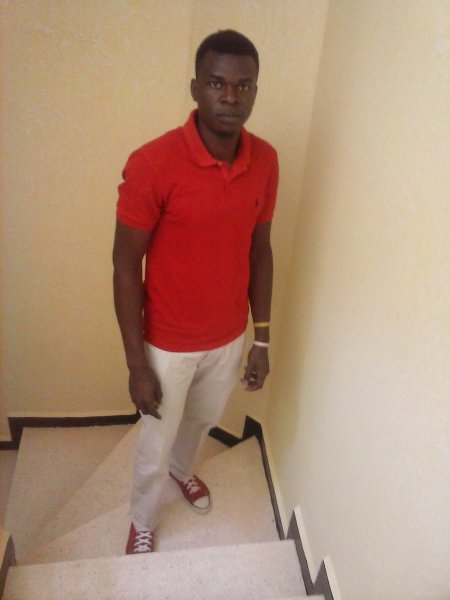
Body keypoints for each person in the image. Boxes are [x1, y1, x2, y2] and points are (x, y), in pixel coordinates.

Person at [113, 29, 278, 554]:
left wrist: (261, 339)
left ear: (255, 91)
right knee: (155, 441)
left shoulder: (266, 160)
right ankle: (142, 518)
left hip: (228, 337)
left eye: (243, 86)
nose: (230, 96)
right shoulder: (153, 163)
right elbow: (124, 264)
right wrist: (137, 364)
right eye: (216, 83)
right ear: (195, 88)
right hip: (168, 343)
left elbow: (260, 252)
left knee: (203, 421)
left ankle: (184, 471)